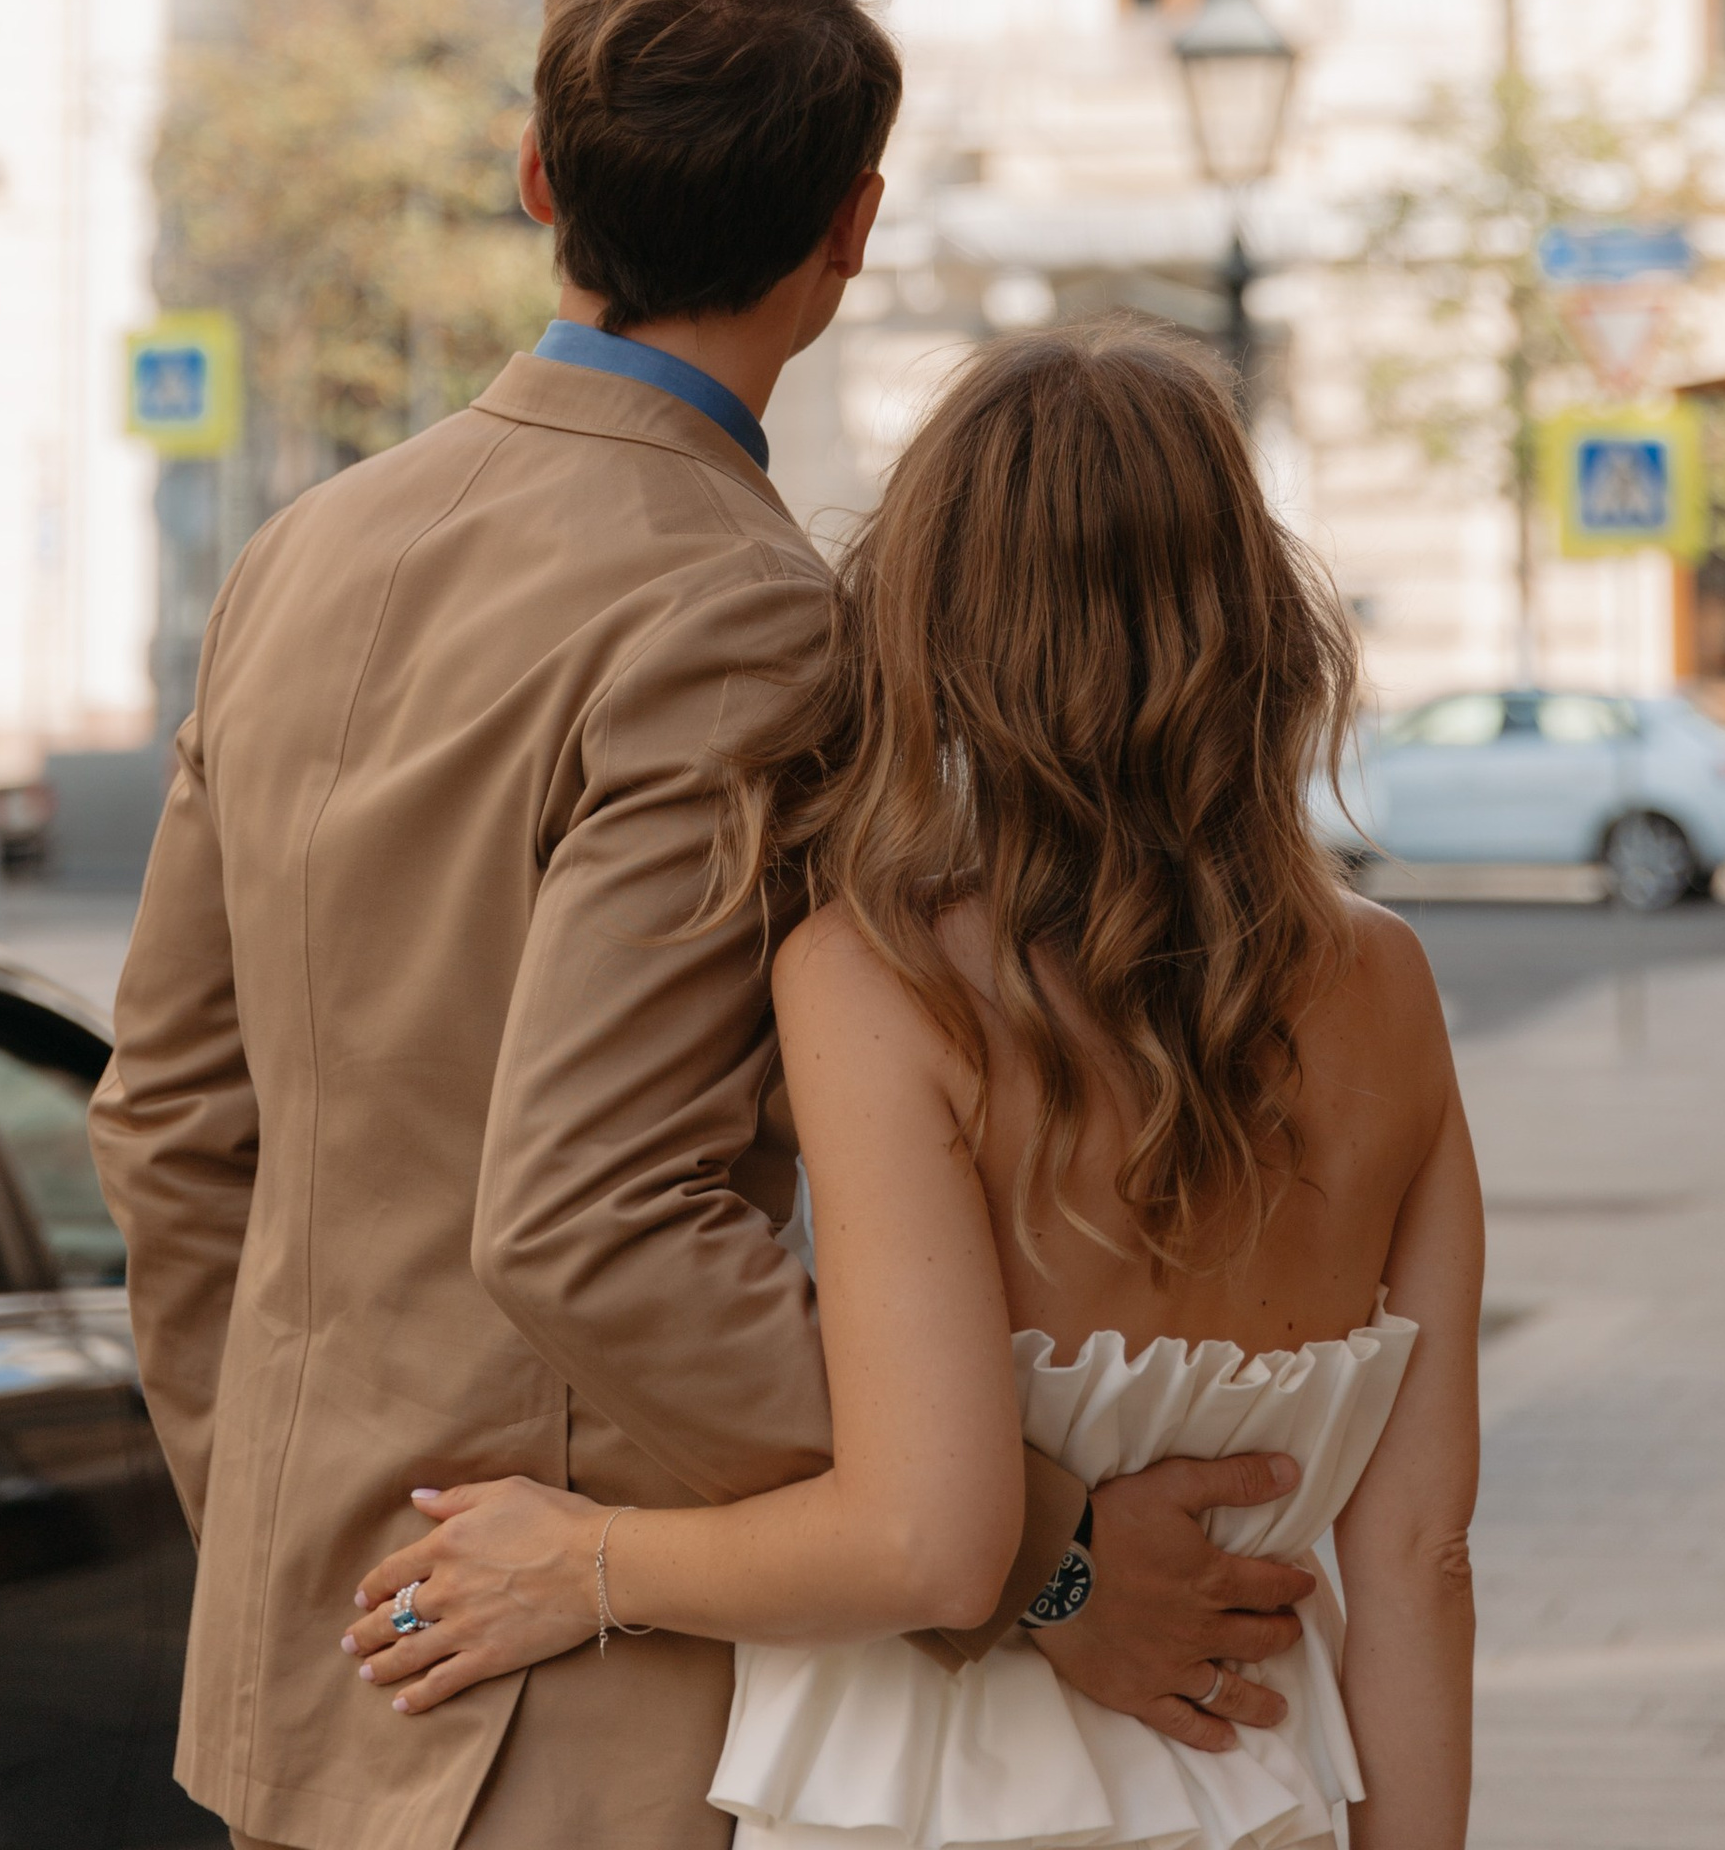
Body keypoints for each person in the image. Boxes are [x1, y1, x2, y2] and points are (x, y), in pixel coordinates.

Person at [92, 0, 1324, 1850]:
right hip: (576, 1694)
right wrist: (1043, 1551)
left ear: (532, 183)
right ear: (848, 228)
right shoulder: (737, 610)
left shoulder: (300, 550)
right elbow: (594, 1217)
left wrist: (290, 1502)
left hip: (331, 1661)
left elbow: (166, 1119)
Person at [344, 320, 1483, 1850]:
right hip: (1254, 1781)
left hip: (935, 1802)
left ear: (933, 621)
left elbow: (927, 1546)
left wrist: (587, 1563)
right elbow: (1417, 1560)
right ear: (1257, 617)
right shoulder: (1388, 989)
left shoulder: (884, 983)